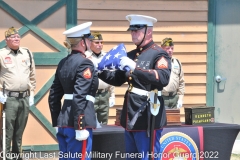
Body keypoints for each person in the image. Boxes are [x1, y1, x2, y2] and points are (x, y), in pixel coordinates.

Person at [98, 14, 171, 160]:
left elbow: (163, 78)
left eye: (136, 30)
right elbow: (117, 79)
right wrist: (99, 71)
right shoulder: (131, 55)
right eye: (131, 30)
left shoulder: (159, 54)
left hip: (147, 115)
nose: (133, 33)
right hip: (131, 114)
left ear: (148, 32)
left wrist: (135, 68)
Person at [48, 22, 98, 160]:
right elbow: (80, 96)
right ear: (82, 42)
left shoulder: (63, 62)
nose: (90, 42)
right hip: (78, 122)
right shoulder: (85, 63)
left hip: (64, 121)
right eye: (88, 39)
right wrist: (80, 126)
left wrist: (57, 122)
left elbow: (53, 96)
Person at [0, 27, 36, 160]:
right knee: (7, 130)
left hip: (24, 97)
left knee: (19, 130)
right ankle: (6, 156)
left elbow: (32, 75)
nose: (16, 39)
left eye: (18, 37)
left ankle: (17, 156)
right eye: (13, 37)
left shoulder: (26, 53)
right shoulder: (2, 54)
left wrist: (31, 93)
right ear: (6, 40)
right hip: (9, 98)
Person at [85, 32, 115, 125]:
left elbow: (112, 77)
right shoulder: (85, 56)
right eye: (97, 42)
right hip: (91, 94)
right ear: (90, 43)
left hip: (104, 94)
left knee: (103, 123)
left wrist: (112, 95)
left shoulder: (107, 57)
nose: (100, 45)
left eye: (101, 42)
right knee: (90, 123)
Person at [161, 38, 185, 109]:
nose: (170, 51)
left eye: (172, 48)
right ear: (162, 49)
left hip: (174, 98)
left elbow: (181, 82)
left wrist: (180, 99)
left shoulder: (177, 62)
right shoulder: (158, 62)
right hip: (162, 98)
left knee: (174, 119)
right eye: (167, 48)